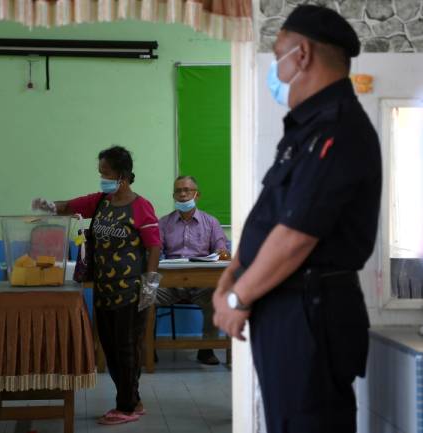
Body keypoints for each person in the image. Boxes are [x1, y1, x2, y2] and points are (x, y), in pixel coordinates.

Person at [212, 5, 381, 433]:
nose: (277, 67)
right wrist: (229, 278)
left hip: (310, 312)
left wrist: (238, 298)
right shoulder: (306, 130)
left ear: (301, 54)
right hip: (287, 307)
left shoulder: (337, 129)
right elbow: (269, 220)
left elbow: (296, 237)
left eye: (278, 53)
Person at [32, 146, 161, 425]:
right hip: (105, 289)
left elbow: (154, 247)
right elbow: (68, 207)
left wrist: (150, 285)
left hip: (132, 290)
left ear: (123, 176)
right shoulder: (101, 201)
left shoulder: (141, 206)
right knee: (111, 347)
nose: (102, 178)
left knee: (127, 347)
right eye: (100, 173)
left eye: (106, 173)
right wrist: (48, 206)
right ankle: (133, 400)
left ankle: (125, 407)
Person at [157, 175, 230, 365]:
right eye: (178, 191)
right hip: (170, 285)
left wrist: (221, 251)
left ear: (197, 195)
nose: (182, 194)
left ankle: (206, 349)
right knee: (146, 296)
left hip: (201, 285)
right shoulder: (163, 223)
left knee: (217, 298)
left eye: (187, 190)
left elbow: (221, 249)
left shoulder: (211, 222)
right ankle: (149, 348)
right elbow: (156, 252)